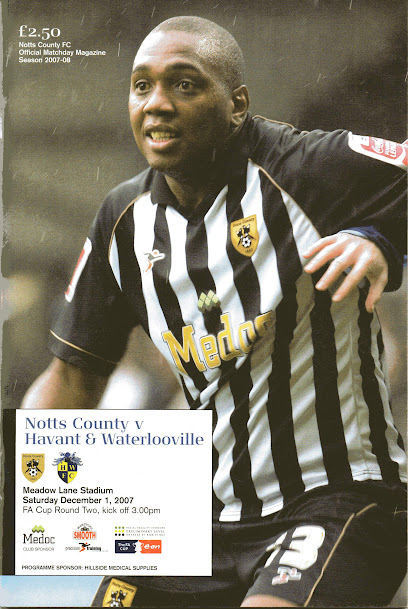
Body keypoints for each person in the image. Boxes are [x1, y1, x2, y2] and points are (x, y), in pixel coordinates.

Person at [22, 16, 407, 608]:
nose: (157, 104)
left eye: (184, 84)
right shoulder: (123, 222)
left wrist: (383, 239)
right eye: (142, 85)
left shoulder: (307, 167)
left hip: (340, 498)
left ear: (237, 106)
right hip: (202, 514)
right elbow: (74, 376)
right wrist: (19, 485)